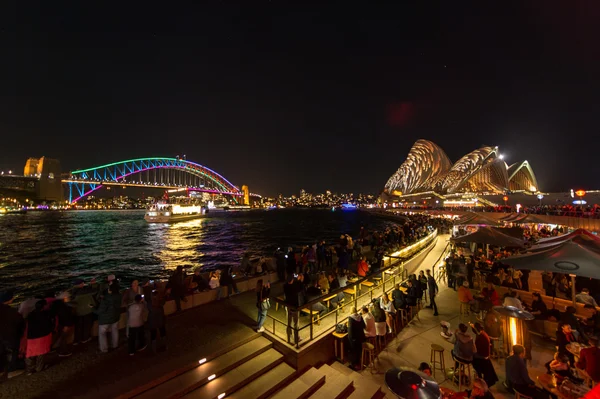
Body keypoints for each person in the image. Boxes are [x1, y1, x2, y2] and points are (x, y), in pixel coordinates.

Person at [25, 300, 54, 375]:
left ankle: (29, 370)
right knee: (41, 353)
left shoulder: (30, 314)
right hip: (42, 336)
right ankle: (39, 368)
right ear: (43, 306)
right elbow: (49, 324)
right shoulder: (46, 314)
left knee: (31, 353)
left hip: (31, 337)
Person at [0, 291, 24, 379]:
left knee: (1, 352)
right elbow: (20, 323)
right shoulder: (12, 311)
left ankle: (1, 370)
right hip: (10, 336)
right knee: (13, 352)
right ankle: (12, 370)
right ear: (9, 300)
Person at [471, 322, 498, 388]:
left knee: (471, 357)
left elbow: (476, 349)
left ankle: (479, 374)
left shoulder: (480, 337)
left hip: (481, 357)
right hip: (485, 356)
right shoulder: (483, 333)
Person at [70, 279, 96, 345]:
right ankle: (85, 339)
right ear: (81, 284)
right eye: (83, 283)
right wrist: (93, 284)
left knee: (78, 327)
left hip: (78, 312)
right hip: (87, 311)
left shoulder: (73, 291)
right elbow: (94, 291)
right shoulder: (84, 291)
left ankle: (76, 340)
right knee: (87, 326)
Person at [51, 292, 75, 357]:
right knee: (63, 338)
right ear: (64, 298)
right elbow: (66, 317)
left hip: (59, 324)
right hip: (64, 325)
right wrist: (67, 325)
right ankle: (63, 351)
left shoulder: (56, 305)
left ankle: (56, 349)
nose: (69, 298)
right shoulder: (63, 307)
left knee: (60, 337)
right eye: (67, 297)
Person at [284, 275, 302, 345]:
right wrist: (299, 280)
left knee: (288, 323)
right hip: (294, 307)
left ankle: (288, 337)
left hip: (288, 306)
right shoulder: (294, 287)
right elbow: (300, 288)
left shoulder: (285, 286)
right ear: (292, 280)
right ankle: (296, 339)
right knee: (296, 323)